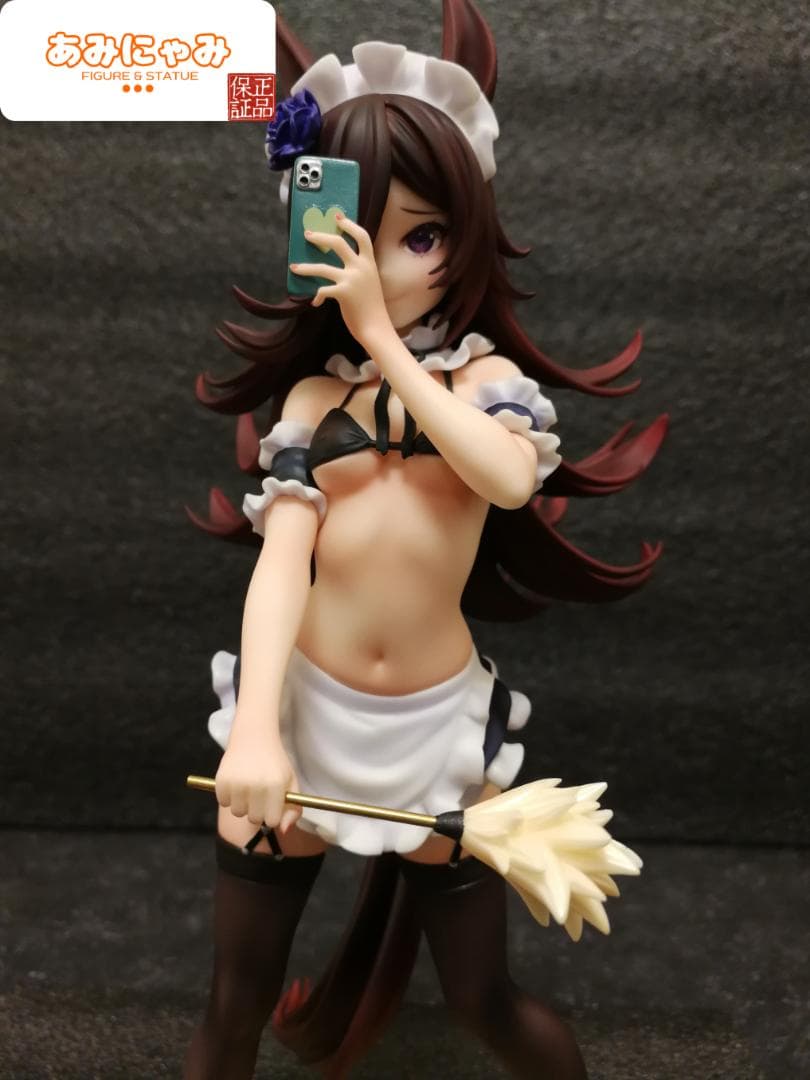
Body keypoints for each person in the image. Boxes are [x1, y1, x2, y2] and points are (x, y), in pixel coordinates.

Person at [184, 3, 667, 1077]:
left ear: (464, 238)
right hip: (302, 712)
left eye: (425, 236)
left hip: (438, 736)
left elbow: (506, 478)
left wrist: (381, 340)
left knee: (487, 1002)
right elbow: (280, 571)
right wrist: (255, 730)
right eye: (370, 233)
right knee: (232, 1002)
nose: (397, 265)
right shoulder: (313, 402)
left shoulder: (487, 384)